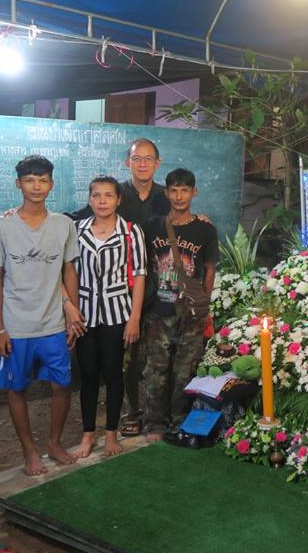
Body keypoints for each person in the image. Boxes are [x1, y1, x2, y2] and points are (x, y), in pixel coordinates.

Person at [0, 155, 82, 476]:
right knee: (17, 388)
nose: (36, 186)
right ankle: (29, 450)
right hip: (16, 326)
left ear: (51, 184)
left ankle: (54, 442)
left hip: (53, 324)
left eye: (43, 180)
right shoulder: (1, 226)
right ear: (18, 184)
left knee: (61, 385)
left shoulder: (63, 225)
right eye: (29, 180)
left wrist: (73, 315)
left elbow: (69, 270)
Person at [68, 138, 169, 438]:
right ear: (129, 162)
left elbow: (182, 215)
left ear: (157, 163)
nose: (142, 164)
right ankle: (123, 417)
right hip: (108, 301)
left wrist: (199, 217)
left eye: (148, 159)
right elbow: (72, 227)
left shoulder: (163, 198)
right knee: (114, 366)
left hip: (152, 292)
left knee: (149, 358)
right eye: (137, 158)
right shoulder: (110, 199)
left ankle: (153, 417)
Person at [72, 176, 147, 458]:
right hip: (85, 314)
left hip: (117, 312)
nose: (102, 201)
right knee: (88, 375)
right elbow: (69, 271)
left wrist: (134, 318)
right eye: (96, 195)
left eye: (108, 195)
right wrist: (70, 311)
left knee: (114, 373)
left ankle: (111, 433)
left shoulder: (130, 231)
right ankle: (88, 434)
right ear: (89, 199)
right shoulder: (77, 230)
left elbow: (140, 275)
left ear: (118, 199)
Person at [141, 169, 218, 442]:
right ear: (166, 193)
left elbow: (209, 269)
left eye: (184, 190)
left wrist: (204, 306)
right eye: (174, 190)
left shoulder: (205, 229)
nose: (179, 196)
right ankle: (154, 423)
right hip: (158, 310)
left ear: (193, 192)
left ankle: (181, 421)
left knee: (186, 369)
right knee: (156, 369)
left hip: (191, 312)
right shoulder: (152, 227)